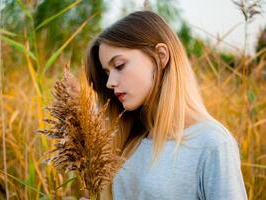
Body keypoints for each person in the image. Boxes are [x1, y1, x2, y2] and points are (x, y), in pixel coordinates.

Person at [84, 10, 247, 200]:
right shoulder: (129, 141)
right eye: (107, 72)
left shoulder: (212, 143)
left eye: (119, 65)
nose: (109, 82)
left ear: (161, 56)